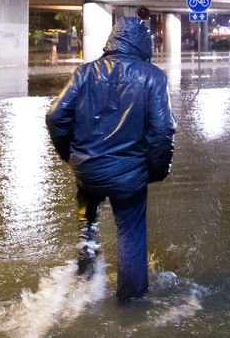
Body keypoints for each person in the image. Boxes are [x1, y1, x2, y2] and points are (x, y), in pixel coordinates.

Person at [45, 17, 176, 300]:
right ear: (143, 43)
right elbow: (163, 130)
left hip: (87, 170)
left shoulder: (85, 73)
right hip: (129, 175)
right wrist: (156, 169)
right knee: (130, 233)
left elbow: (55, 116)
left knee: (87, 214)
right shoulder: (152, 76)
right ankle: (131, 304)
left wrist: (70, 155)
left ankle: (84, 273)